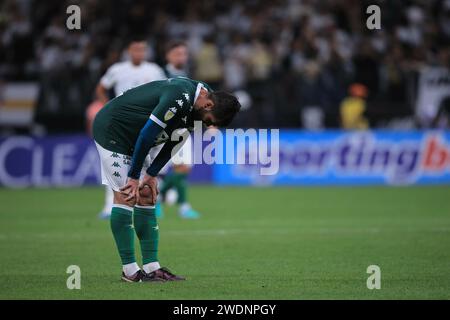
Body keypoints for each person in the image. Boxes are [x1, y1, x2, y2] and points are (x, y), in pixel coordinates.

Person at [92, 77, 240, 282]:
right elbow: (147, 134)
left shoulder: (202, 105)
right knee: (126, 195)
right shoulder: (178, 95)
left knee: (147, 194)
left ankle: (152, 267)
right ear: (208, 105)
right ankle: (130, 271)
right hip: (114, 131)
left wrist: (151, 174)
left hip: (138, 137)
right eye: (209, 121)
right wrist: (134, 176)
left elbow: (172, 143)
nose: (206, 125)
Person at [94, 37, 166, 219]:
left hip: (147, 124)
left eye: (142, 49)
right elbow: (101, 88)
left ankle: (152, 201)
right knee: (115, 166)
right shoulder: (117, 69)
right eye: (135, 49)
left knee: (146, 164)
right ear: (128, 51)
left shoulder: (154, 70)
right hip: (121, 125)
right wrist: (107, 108)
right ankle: (108, 206)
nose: (138, 53)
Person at [157, 41, 201, 219]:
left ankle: (161, 201)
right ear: (168, 56)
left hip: (184, 128)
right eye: (177, 54)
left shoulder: (186, 76)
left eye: (184, 54)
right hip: (168, 129)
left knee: (183, 169)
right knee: (175, 168)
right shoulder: (160, 75)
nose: (181, 57)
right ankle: (180, 206)